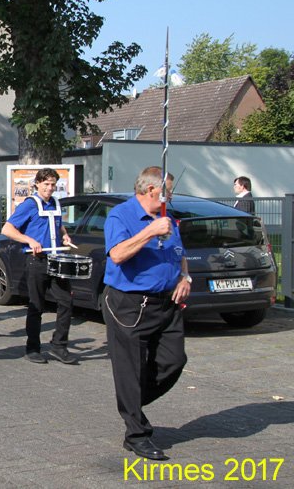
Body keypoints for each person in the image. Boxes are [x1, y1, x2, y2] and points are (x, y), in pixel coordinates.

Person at [103, 166, 190, 461]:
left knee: (173, 361)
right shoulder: (121, 216)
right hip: (130, 305)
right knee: (130, 369)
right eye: (168, 191)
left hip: (166, 304)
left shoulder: (168, 218)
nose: (171, 196)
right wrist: (150, 231)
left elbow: (180, 254)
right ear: (152, 190)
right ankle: (136, 433)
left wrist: (185, 277)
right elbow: (117, 254)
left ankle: (131, 401)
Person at [1, 167, 78, 365]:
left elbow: (57, 224)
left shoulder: (55, 203)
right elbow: (7, 229)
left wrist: (64, 235)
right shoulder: (29, 204)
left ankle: (59, 346)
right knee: (37, 305)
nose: (50, 188)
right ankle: (32, 348)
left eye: (53, 184)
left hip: (56, 259)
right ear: (37, 184)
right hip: (37, 261)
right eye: (46, 184)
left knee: (66, 302)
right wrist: (29, 240)